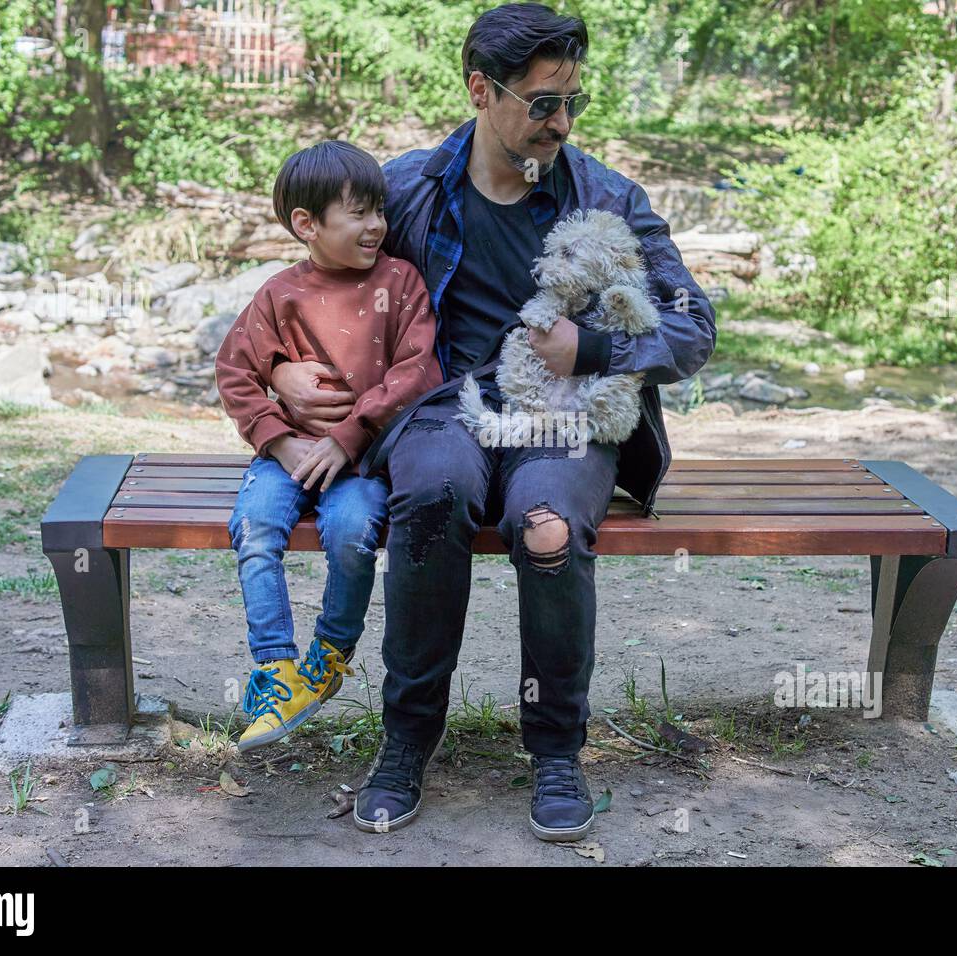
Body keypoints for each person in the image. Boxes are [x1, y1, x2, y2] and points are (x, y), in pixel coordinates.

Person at [271, 3, 716, 839]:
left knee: (546, 528)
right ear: (482, 90)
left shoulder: (610, 197)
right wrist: (283, 370)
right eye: (543, 102)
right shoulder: (403, 188)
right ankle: (405, 740)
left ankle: (554, 750)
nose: (562, 121)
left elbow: (693, 328)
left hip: (569, 417)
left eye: (573, 102)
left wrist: (588, 347)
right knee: (433, 498)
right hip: (444, 408)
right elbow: (306, 284)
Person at [215, 141, 444, 754]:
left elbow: (417, 374)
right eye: (359, 213)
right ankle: (273, 669)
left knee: (350, 532)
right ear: (306, 225)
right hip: (287, 455)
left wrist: (349, 437)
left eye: (380, 211)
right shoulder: (278, 295)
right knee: (255, 525)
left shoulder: (401, 283)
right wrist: (279, 439)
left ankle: (330, 655)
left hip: (363, 461)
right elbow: (235, 372)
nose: (377, 226)